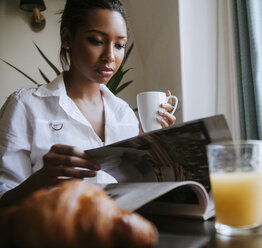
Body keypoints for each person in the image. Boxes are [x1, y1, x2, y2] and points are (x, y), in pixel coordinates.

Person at [0, 0, 176, 208]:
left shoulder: (124, 115)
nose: (110, 56)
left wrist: (156, 144)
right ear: (67, 38)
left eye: (119, 45)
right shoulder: (26, 105)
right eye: (96, 40)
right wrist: (42, 180)